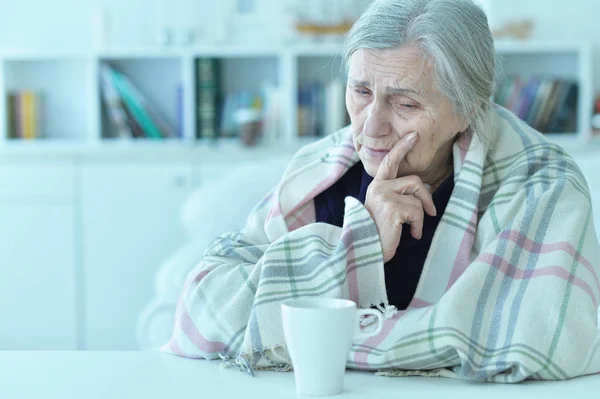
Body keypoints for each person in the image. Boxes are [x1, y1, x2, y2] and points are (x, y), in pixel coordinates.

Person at [164, 0, 600, 382]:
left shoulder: (542, 183)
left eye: (406, 103)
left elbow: (546, 343)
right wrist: (358, 242)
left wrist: (320, 339)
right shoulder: (322, 169)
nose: (370, 127)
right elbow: (200, 313)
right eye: (361, 91)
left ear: (469, 108)